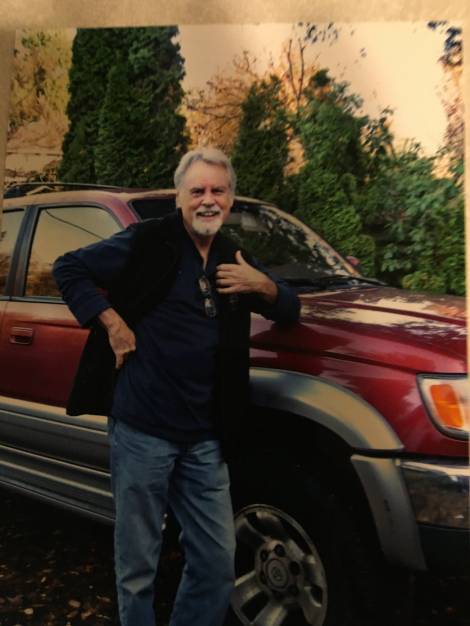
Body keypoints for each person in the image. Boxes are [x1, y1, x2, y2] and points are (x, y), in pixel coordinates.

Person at [53, 147, 300, 626]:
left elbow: (289, 309)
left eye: (218, 191)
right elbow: (68, 268)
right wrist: (111, 323)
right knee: (138, 566)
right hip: (143, 430)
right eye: (197, 190)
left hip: (205, 438)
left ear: (230, 199)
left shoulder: (233, 256)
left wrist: (263, 285)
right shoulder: (148, 241)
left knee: (216, 561)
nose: (208, 200)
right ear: (179, 198)